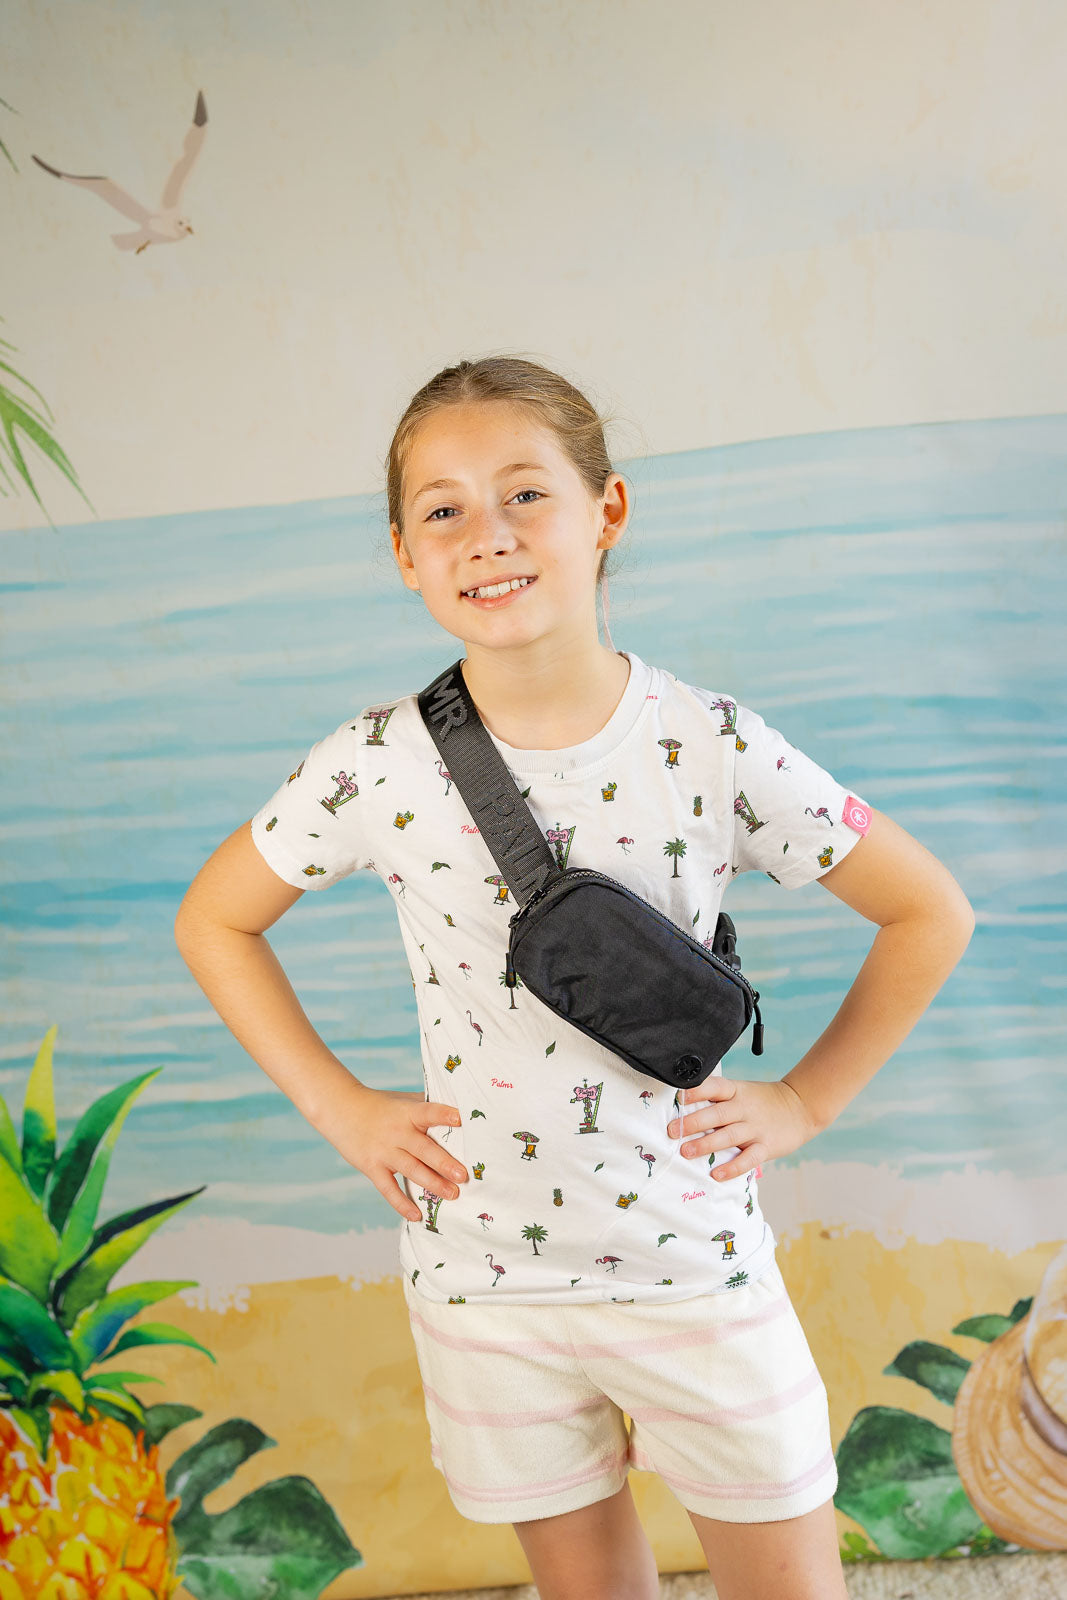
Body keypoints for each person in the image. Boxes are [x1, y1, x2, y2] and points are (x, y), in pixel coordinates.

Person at [174, 356, 975, 1600]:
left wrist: (805, 1101)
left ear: (605, 511)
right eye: (440, 510)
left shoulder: (708, 742)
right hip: (484, 1278)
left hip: (686, 1258)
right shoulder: (373, 765)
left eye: (522, 495)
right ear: (402, 552)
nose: (483, 537)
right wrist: (342, 1108)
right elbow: (216, 922)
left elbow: (927, 908)